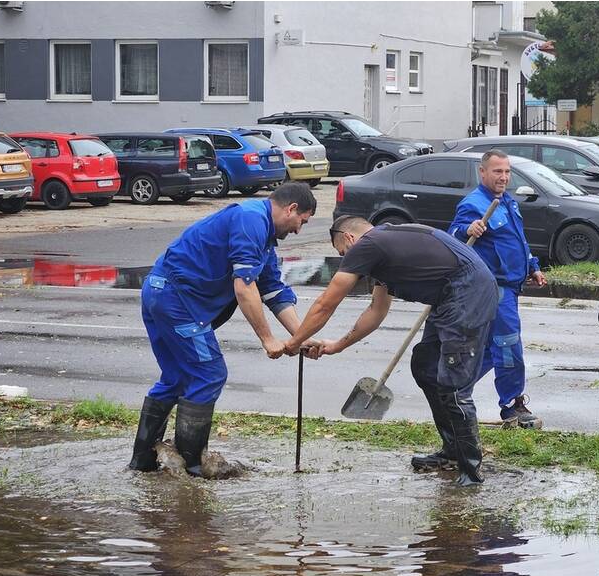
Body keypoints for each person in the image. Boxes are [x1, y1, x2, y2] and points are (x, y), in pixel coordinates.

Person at [282, 215, 498, 486]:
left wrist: (294, 342)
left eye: (342, 253)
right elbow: (376, 311)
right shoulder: (384, 248)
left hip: (468, 292)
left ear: (349, 238)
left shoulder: (369, 244)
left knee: (454, 385)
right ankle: (452, 452)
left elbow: (326, 303)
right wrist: (337, 345)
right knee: (425, 366)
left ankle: (471, 470)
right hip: (449, 296)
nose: (347, 259)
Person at [129, 182, 319, 476]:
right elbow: (244, 287)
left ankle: (142, 463)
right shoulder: (251, 218)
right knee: (209, 373)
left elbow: (273, 291)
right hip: (176, 300)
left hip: (161, 292)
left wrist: (301, 338)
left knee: (177, 377)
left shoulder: (263, 236)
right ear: (291, 208)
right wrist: (268, 339)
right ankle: (192, 467)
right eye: (301, 221)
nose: (298, 230)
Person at [448, 149, 547, 429]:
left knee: (491, 350)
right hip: (493, 288)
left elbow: (518, 241)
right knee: (507, 344)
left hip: (511, 286)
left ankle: (452, 390)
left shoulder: (506, 203)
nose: (503, 177)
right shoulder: (474, 204)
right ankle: (512, 405)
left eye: (506, 171)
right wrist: (468, 229)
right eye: (497, 171)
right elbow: (453, 236)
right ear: (483, 172)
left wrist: (532, 266)